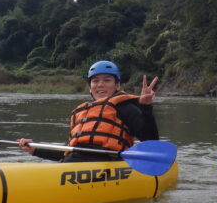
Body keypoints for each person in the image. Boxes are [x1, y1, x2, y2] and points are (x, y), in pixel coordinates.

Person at [18, 60, 160, 162]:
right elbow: (67, 152)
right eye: (95, 81)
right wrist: (35, 149)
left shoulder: (125, 107)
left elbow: (151, 141)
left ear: (117, 85)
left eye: (107, 80)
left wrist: (146, 108)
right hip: (72, 162)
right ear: (89, 87)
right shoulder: (79, 113)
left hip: (106, 163)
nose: (100, 85)